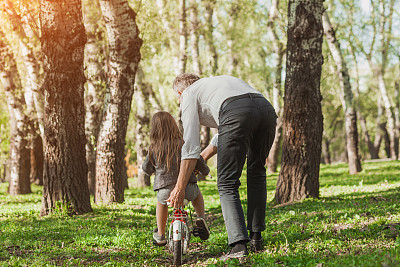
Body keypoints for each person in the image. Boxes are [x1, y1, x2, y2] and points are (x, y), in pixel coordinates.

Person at [167, 74, 277, 259]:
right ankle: (256, 238)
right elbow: (227, 131)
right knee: (257, 172)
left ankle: (238, 246)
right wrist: (202, 158)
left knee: (227, 182)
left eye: (178, 98)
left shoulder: (188, 94)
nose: (179, 102)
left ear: (180, 92)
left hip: (237, 112)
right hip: (266, 109)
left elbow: (190, 146)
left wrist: (179, 188)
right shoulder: (215, 84)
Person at [142, 111, 210, 246]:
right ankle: (201, 217)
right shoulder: (184, 143)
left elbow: (146, 168)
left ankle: (160, 234)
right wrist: (205, 171)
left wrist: (154, 169)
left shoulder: (154, 148)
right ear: (173, 125)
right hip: (188, 188)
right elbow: (199, 161)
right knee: (197, 194)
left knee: (161, 202)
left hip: (164, 191)